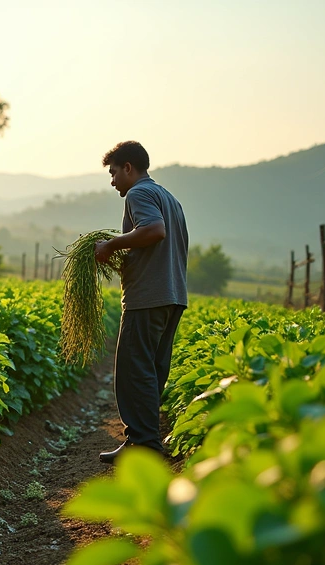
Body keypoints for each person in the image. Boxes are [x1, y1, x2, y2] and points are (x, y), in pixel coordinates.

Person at [93, 141, 189, 463]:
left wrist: (111, 245)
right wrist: (125, 257)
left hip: (148, 297)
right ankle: (140, 441)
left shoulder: (138, 194)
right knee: (152, 370)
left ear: (128, 168)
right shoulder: (171, 199)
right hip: (173, 296)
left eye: (114, 173)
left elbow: (154, 231)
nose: (113, 181)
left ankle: (144, 446)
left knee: (134, 371)